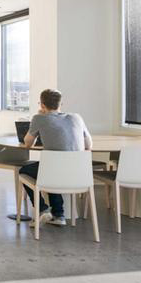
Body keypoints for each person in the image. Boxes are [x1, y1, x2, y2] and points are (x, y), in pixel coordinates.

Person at [20, 89, 93, 227]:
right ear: (61, 104)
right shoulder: (77, 117)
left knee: (24, 171)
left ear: (42, 105)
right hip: (79, 174)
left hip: (54, 171)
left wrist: (40, 116)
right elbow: (89, 145)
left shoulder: (39, 118)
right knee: (51, 169)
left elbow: (28, 143)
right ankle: (59, 215)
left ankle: (42, 209)